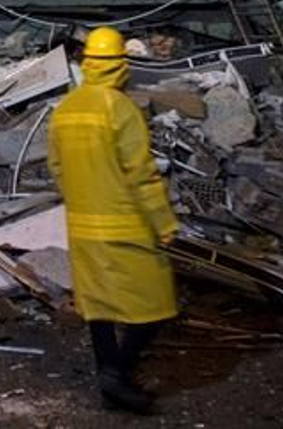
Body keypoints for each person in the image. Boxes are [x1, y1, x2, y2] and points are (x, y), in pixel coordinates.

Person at [47, 26, 179, 415]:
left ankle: (111, 382)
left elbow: (57, 168)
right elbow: (141, 174)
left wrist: (81, 198)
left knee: (100, 308)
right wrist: (164, 223)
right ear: (120, 65)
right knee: (155, 306)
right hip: (126, 226)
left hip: (83, 229)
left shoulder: (66, 108)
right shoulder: (120, 109)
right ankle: (116, 374)